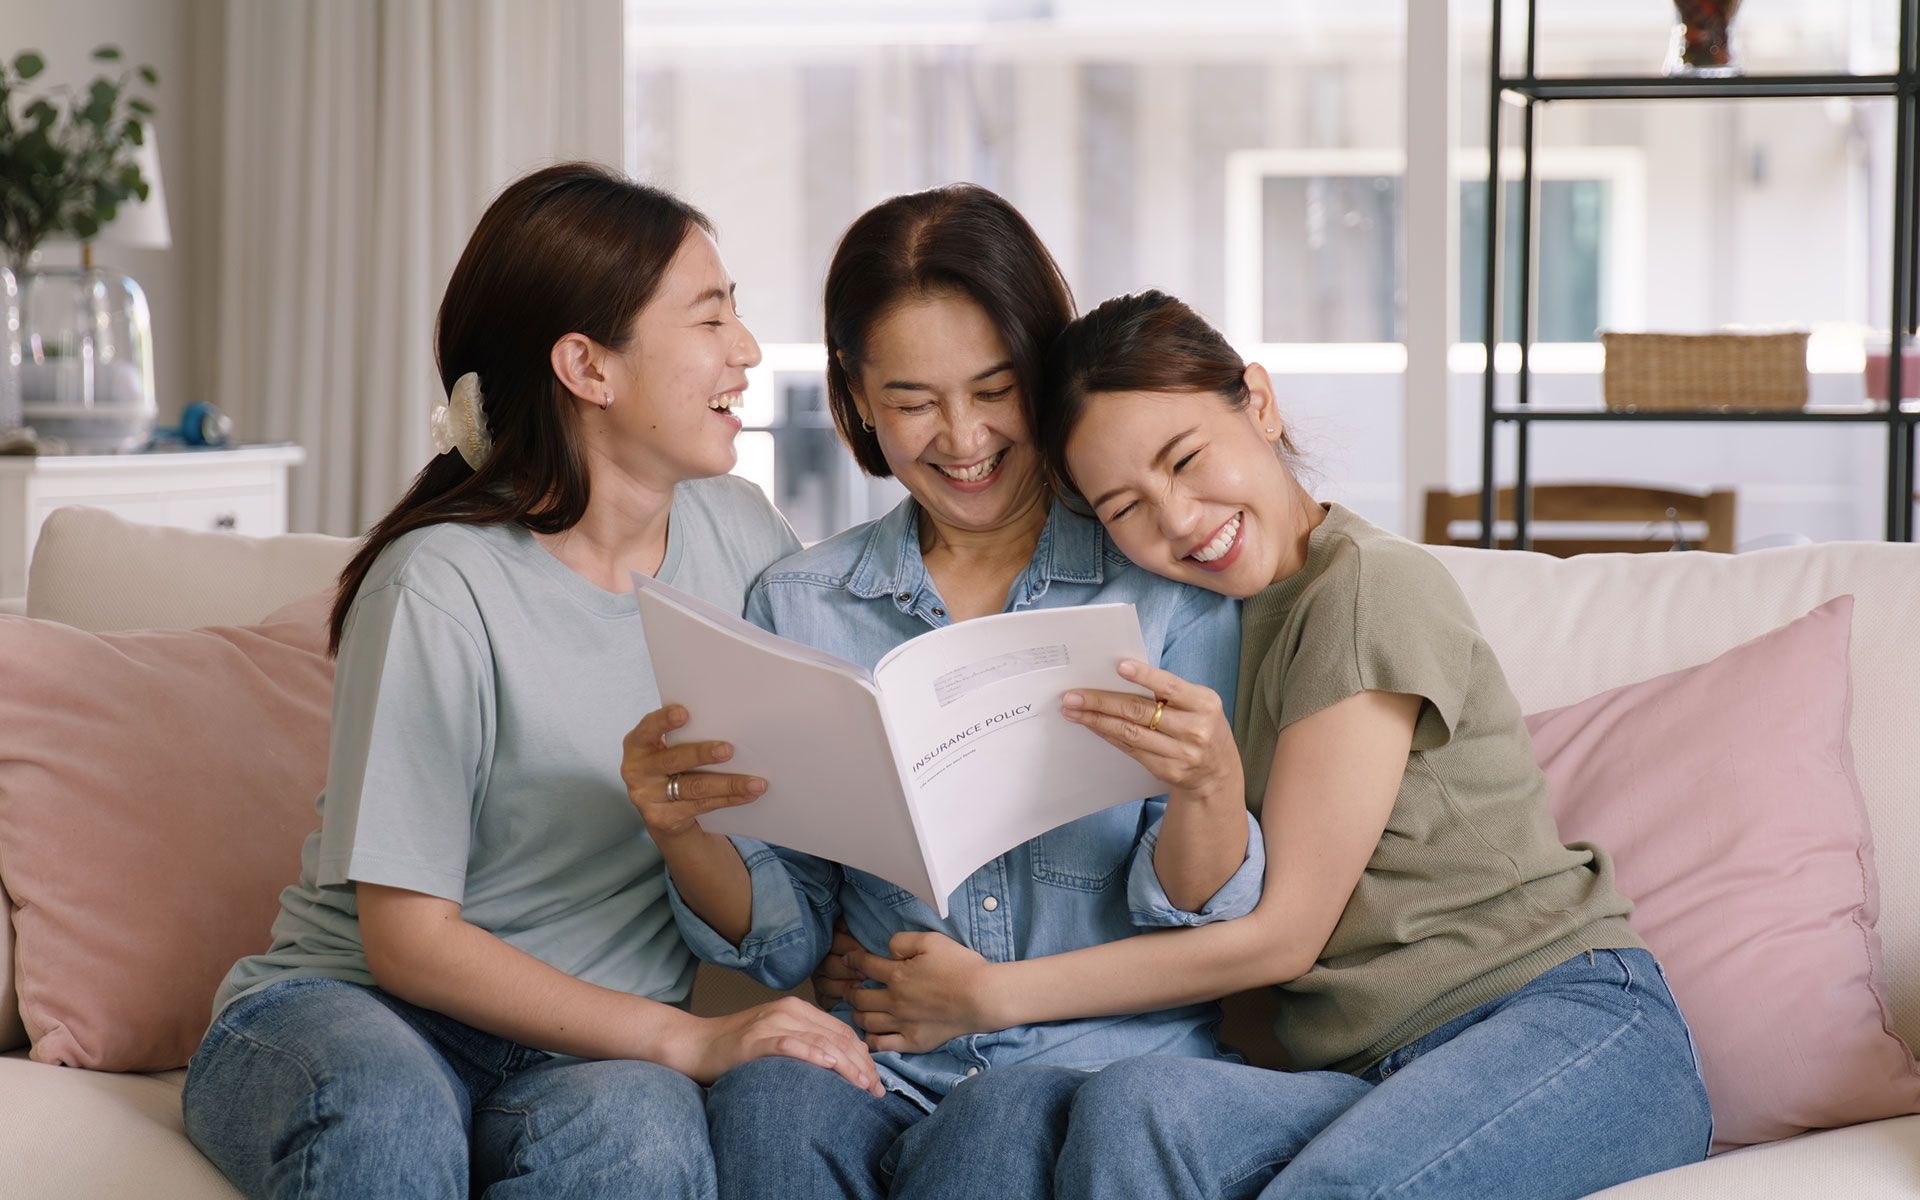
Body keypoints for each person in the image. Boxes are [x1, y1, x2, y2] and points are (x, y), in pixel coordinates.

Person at [828, 290, 1713, 1200]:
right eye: (1126, 506)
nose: (1176, 519)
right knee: (1135, 1110)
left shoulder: (1364, 590)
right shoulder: (1202, 629)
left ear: (1258, 401)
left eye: (1186, 459)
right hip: (1372, 1078)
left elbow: (1284, 937)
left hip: (1564, 1027)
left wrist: (990, 996)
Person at [181, 163, 880, 1200]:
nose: (744, 351)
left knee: (645, 1141)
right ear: (588, 367)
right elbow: (409, 942)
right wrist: (688, 1040)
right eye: (710, 318)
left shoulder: (742, 539)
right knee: (389, 1112)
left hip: (571, 1051)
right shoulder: (440, 584)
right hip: (351, 1013)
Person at [622, 187, 1261, 1200]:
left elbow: (1197, 914)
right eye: (915, 402)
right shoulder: (799, 602)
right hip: (887, 1062)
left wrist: (1208, 788)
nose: (961, 438)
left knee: (1000, 1123)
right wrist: (681, 831)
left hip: (1094, 1060)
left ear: (1044, 376)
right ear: (860, 399)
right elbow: (788, 941)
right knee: (766, 1102)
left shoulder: (1159, 579)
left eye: (995, 389)